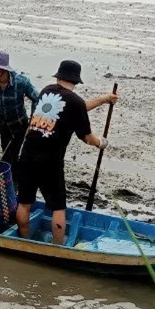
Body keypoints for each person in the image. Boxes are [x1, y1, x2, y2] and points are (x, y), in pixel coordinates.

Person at [14, 60, 119, 245]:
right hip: (50, 161)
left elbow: (75, 109)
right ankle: (58, 247)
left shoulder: (46, 91)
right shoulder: (75, 102)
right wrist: (100, 143)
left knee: (24, 202)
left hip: (27, 154)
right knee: (58, 207)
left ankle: (24, 242)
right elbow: (86, 137)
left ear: (59, 76)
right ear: (76, 81)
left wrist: (103, 99)